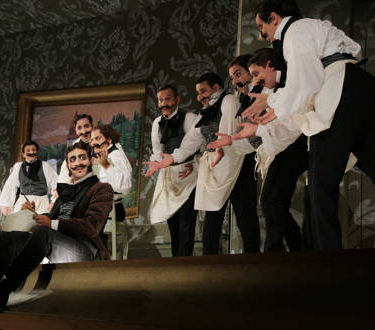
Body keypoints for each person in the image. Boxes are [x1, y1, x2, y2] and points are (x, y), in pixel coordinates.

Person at [241, 0, 374, 249]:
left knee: (321, 183)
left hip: (339, 90)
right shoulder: (314, 27)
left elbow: (307, 80)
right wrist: (273, 99)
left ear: (274, 17)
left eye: (261, 26)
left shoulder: (295, 31)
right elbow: (341, 55)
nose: (262, 34)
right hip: (361, 84)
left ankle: (328, 259)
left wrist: (275, 107)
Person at [0, 141, 113, 313]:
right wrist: (37, 214)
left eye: (82, 158)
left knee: (44, 233)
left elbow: (92, 227)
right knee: (6, 238)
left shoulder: (101, 188)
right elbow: (52, 219)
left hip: (86, 250)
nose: (78, 163)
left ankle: (4, 290)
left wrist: (51, 223)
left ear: (90, 160)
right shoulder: (65, 193)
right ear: (68, 165)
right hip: (58, 244)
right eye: (72, 159)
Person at [146, 74, 260, 255]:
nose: (200, 97)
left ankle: (254, 262)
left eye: (203, 91)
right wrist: (172, 159)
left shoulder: (228, 100)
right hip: (214, 169)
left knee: (244, 217)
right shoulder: (205, 112)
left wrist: (197, 161)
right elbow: (191, 142)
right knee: (211, 222)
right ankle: (208, 267)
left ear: (216, 88)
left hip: (236, 166)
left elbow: (226, 134)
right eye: (198, 93)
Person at [209, 48, 304, 252]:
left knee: (271, 200)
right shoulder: (250, 99)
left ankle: (275, 252)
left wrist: (237, 138)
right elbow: (252, 140)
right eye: (233, 78)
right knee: (275, 203)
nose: (236, 82)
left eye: (239, 74)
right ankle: (297, 250)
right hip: (274, 149)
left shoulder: (268, 90)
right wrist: (230, 141)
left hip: (292, 144)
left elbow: (278, 124)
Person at [144, 84, 199, 257]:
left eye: (168, 99)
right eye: (160, 100)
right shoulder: (157, 123)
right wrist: (155, 162)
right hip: (170, 177)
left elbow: (201, 144)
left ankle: (185, 262)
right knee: (173, 221)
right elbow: (157, 151)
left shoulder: (189, 118)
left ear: (177, 99)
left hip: (189, 176)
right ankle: (176, 262)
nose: (163, 103)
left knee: (186, 221)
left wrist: (195, 163)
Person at [0, 141, 58, 216]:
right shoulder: (18, 167)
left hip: (41, 203)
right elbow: (10, 185)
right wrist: (7, 204)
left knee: (39, 225)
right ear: (23, 154)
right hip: (23, 202)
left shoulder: (45, 166)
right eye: (28, 150)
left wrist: (54, 202)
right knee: (21, 225)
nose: (31, 152)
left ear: (37, 152)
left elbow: (56, 184)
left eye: (34, 150)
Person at [90, 124, 132, 222]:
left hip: (112, 210)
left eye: (97, 138)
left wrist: (107, 166)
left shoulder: (116, 156)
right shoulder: (104, 156)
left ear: (109, 140)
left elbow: (125, 187)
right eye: (92, 140)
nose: (93, 143)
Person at [57, 114, 94, 184]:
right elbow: (65, 169)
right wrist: (61, 187)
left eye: (86, 126)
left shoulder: (102, 142)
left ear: (92, 126)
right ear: (76, 130)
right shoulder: (75, 146)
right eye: (79, 128)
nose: (83, 131)